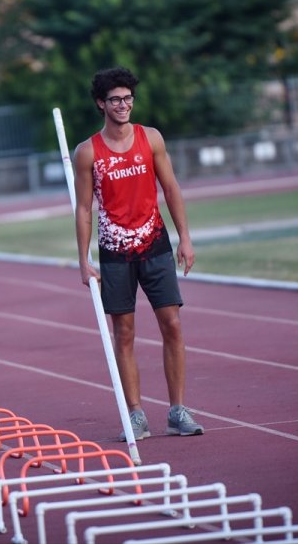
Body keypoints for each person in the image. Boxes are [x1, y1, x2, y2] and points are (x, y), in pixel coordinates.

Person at [73, 67, 203, 441]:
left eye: (128, 98)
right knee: (124, 332)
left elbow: (171, 187)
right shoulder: (87, 152)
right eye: (115, 99)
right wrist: (84, 260)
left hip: (155, 245)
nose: (123, 105)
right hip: (114, 253)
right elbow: (83, 209)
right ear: (101, 103)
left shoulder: (151, 138)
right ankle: (135, 414)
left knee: (172, 325)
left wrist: (185, 238)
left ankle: (177, 411)